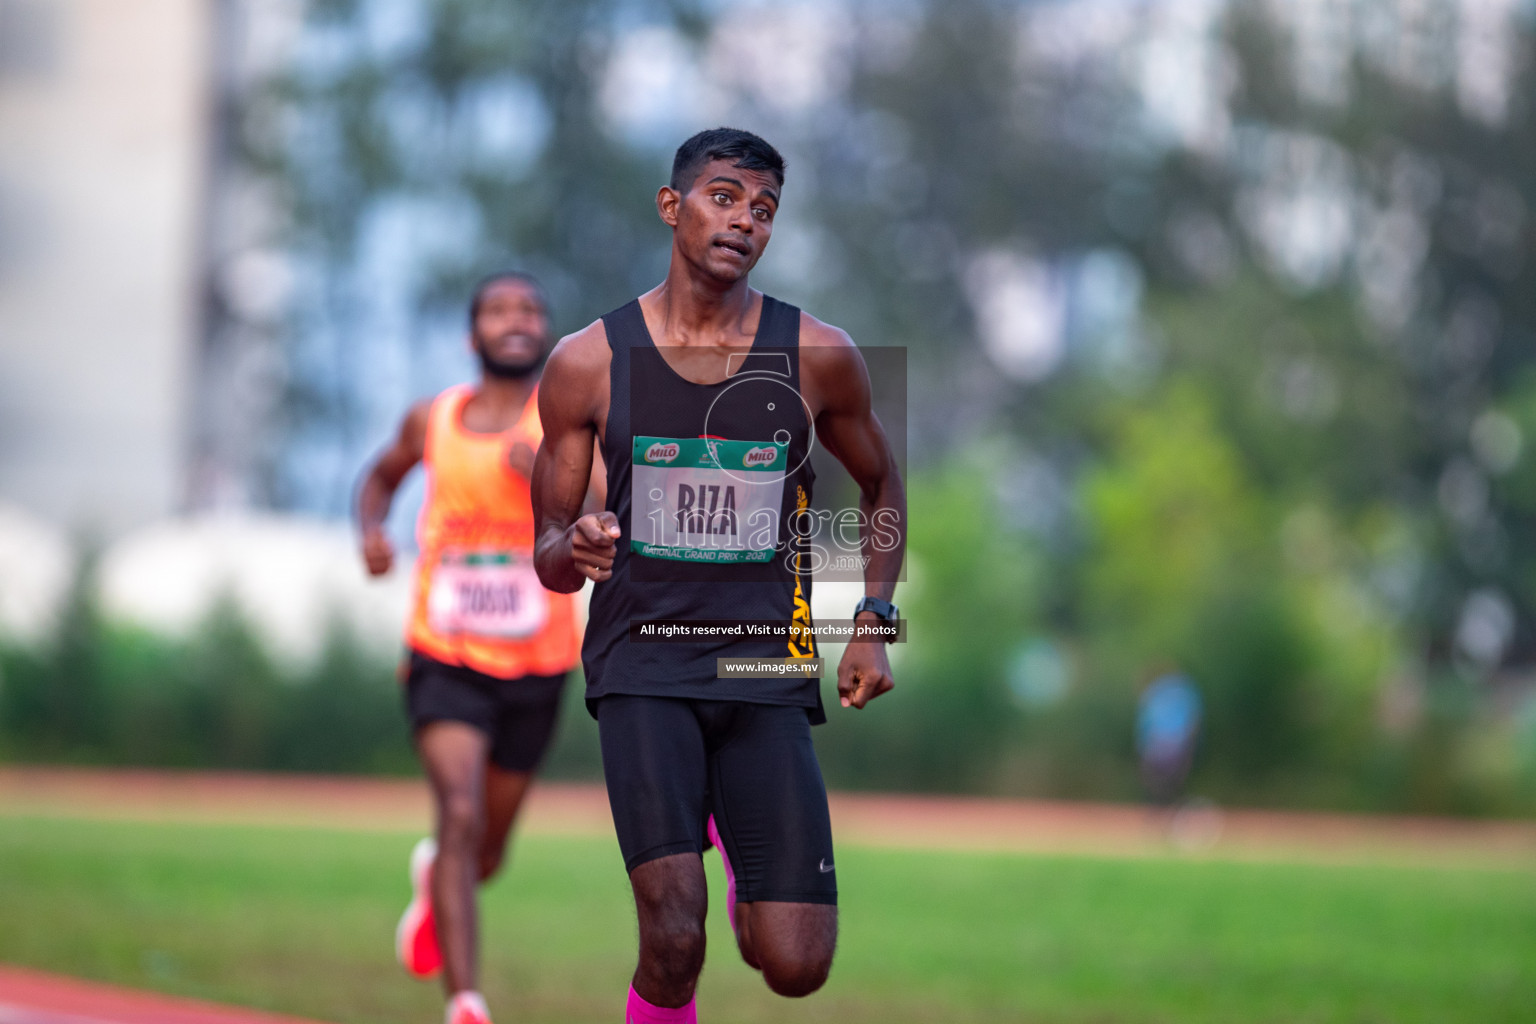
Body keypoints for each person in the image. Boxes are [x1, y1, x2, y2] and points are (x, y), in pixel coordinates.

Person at [531, 128, 907, 1024]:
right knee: (673, 939)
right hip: (642, 665)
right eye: (725, 196)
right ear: (673, 206)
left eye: (764, 209)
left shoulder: (818, 354)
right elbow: (547, 553)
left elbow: (882, 480)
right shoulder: (587, 363)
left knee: (796, 964)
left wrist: (874, 624)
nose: (745, 220)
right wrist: (572, 546)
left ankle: (735, 840)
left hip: (763, 668)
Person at [356, 272, 593, 1024]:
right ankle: (465, 1001)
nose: (517, 319)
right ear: (473, 334)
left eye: (531, 309)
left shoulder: (564, 424)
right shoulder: (433, 417)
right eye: (499, 310)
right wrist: (370, 532)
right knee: (457, 814)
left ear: (546, 333)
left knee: (485, 850)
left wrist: (549, 479)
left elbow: (604, 515)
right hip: (444, 652)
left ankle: (438, 882)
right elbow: (380, 478)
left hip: (538, 662)